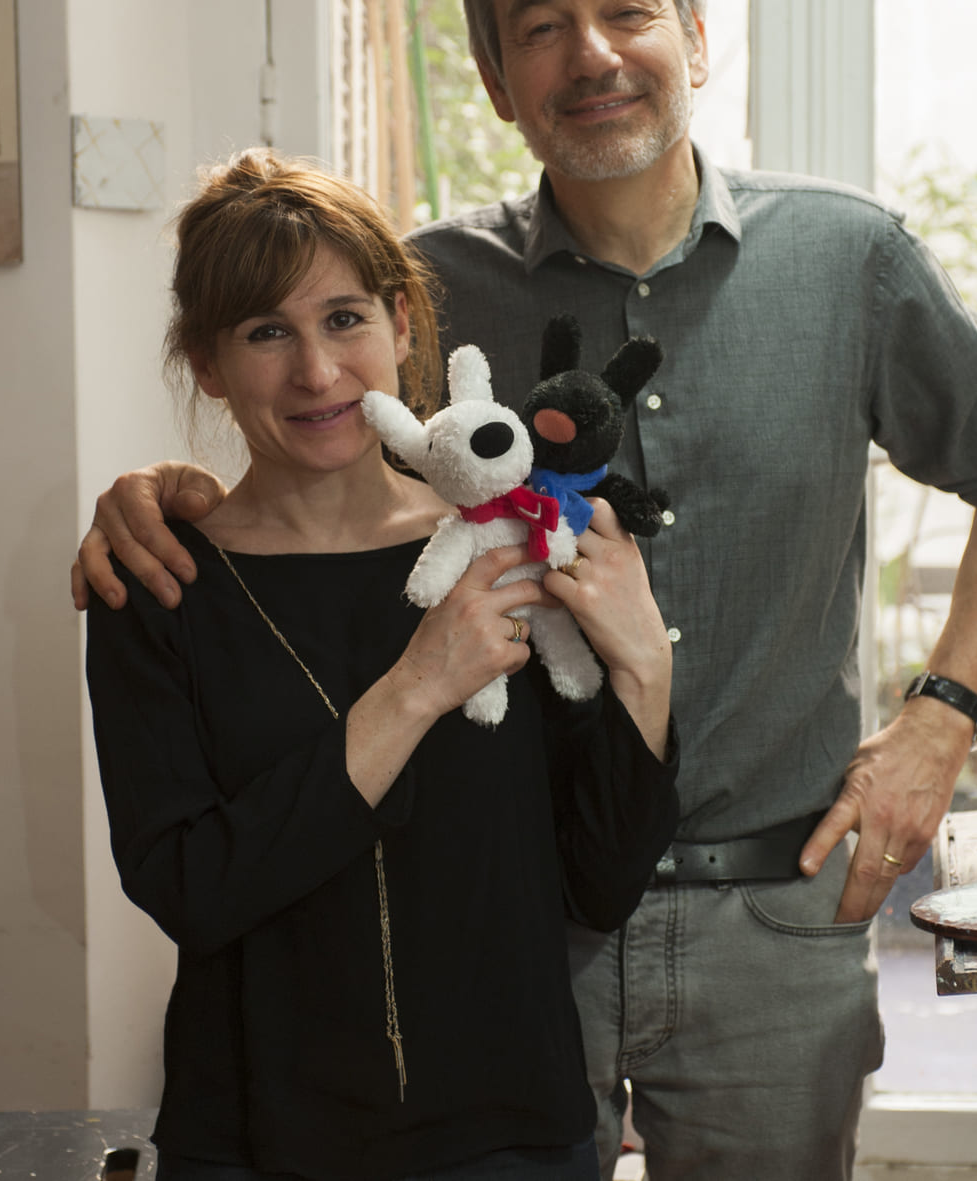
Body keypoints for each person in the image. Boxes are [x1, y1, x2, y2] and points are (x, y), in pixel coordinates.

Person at [74, 0, 977, 1181]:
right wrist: (161, 493)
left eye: (626, 8)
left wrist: (940, 720)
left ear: (696, 36)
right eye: (539, 26)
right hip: (511, 936)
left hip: (776, 918)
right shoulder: (431, 287)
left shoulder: (849, 259)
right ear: (497, 81)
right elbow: (317, 443)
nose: (592, 54)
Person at [83, 148, 678, 1181]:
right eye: (266, 331)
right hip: (254, 1139)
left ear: (403, 325)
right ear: (208, 363)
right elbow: (191, 887)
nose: (317, 372)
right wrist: (416, 688)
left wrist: (645, 669)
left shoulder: (510, 548)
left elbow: (602, 878)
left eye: (344, 318)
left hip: (509, 1132)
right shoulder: (157, 582)